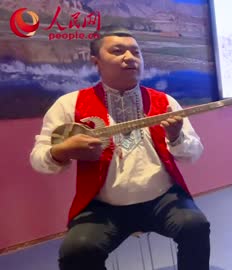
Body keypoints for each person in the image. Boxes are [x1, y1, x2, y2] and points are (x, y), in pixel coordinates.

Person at [29, 26, 210, 270]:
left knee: (195, 226)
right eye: (118, 51)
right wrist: (61, 151)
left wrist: (176, 136)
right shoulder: (70, 104)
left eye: (136, 52)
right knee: (77, 250)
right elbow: (39, 157)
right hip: (103, 206)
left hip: (161, 199)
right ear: (96, 62)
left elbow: (194, 153)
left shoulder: (164, 102)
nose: (130, 57)